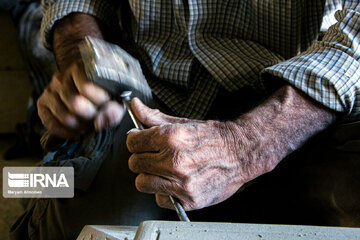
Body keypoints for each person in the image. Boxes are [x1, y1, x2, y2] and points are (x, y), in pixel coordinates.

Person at [10, 0, 360, 239]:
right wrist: (79, 52)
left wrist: (250, 144)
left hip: (304, 99)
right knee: (59, 206)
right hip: (143, 96)